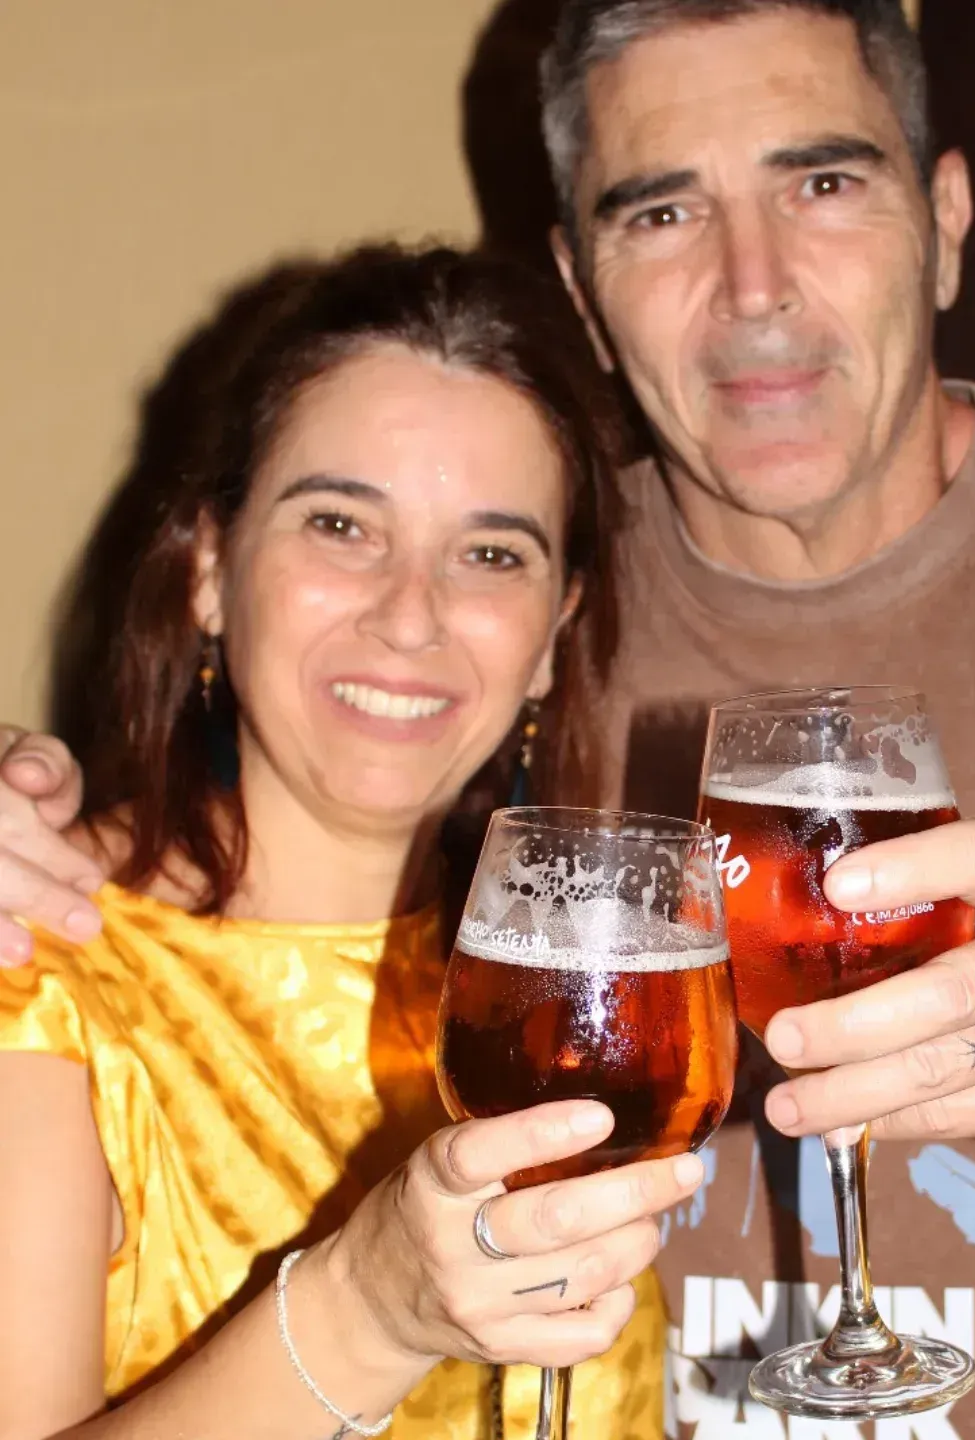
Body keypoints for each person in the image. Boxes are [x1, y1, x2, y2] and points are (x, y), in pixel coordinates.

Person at [1, 2, 975, 1436]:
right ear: (582, 288)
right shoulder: (531, 594)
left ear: (946, 222)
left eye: (824, 182)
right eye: (664, 211)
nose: (754, 286)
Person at [0, 245, 701, 1440]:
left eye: (492, 554)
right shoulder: (36, 971)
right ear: (208, 570)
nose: (411, 613)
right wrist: (363, 1312)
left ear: (553, 632)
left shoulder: (557, 993)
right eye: (340, 524)